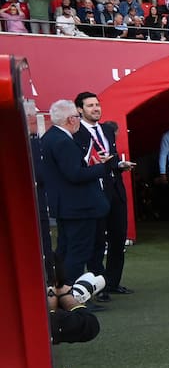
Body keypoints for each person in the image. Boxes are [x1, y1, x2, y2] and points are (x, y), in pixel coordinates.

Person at [41, 100, 127, 288]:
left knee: (64, 249)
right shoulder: (63, 141)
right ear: (71, 119)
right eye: (78, 117)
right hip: (78, 207)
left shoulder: (50, 138)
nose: (79, 121)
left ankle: (61, 291)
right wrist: (103, 168)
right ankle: (72, 294)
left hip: (66, 205)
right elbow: (75, 174)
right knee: (78, 252)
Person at [73, 92, 134, 300]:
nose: (95, 108)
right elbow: (78, 164)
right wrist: (97, 163)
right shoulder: (76, 132)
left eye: (97, 105)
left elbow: (111, 157)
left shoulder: (107, 129)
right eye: (90, 105)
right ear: (80, 110)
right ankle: (97, 285)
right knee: (97, 241)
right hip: (94, 191)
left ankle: (113, 282)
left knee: (118, 238)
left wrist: (118, 164)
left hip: (115, 188)